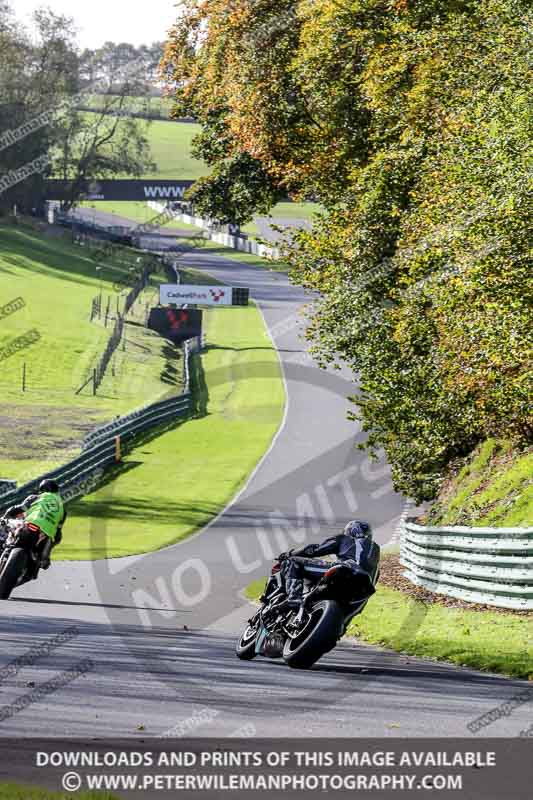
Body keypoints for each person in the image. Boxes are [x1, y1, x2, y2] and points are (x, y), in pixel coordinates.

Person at [278, 520, 380, 609]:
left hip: (344, 570)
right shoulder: (376, 550)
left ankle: (293, 598)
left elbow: (313, 550)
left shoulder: (344, 538)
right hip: (364, 587)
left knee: (293, 562)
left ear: (350, 531)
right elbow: (375, 575)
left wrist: (289, 553)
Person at [23, 479, 66, 572]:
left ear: (42, 489)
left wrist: (6, 516)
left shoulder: (36, 497)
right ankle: (44, 558)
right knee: (55, 537)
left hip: (29, 524)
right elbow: (58, 531)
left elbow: (19, 508)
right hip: (45, 533)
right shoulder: (62, 508)